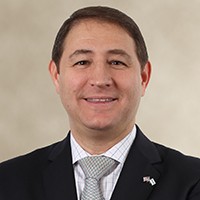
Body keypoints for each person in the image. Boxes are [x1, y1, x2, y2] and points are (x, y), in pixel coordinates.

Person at [0, 6, 200, 200]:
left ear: (143, 77)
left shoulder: (192, 181)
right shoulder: (8, 181)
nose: (100, 79)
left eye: (116, 62)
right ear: (56, 76)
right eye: (82, 62)